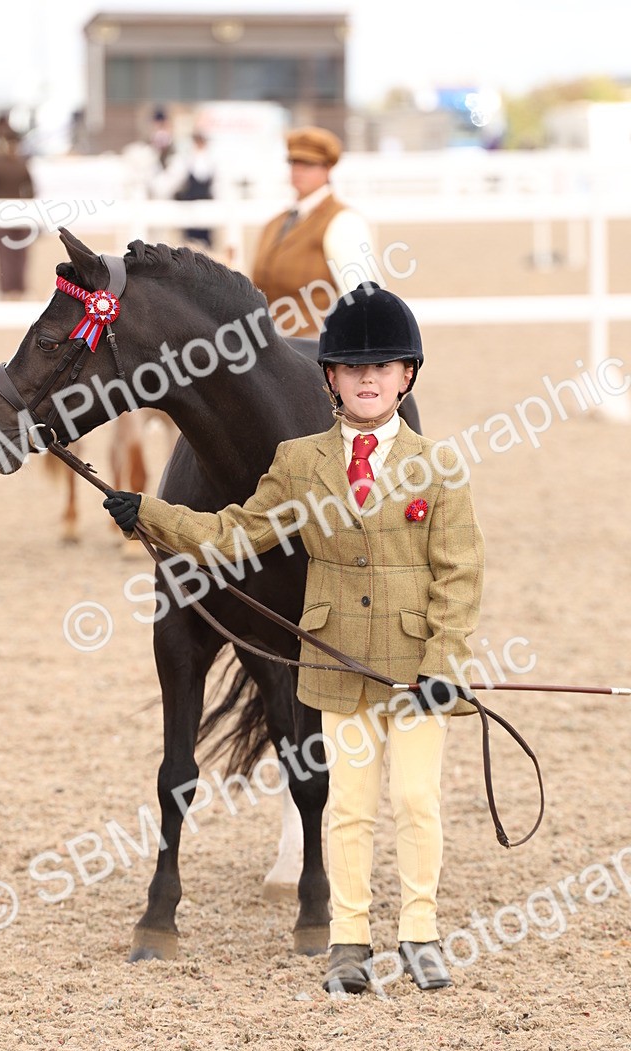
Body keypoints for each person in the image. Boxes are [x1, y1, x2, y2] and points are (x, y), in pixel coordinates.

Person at [102, 283, 485, 995]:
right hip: (335, 662)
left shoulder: (440, 467)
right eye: (352, 369)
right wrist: (152, 515)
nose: (368, 381)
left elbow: (459, 575)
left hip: (414, 670)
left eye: (384, 368)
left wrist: (444, 664)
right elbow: (237, 531)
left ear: (407, 377)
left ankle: (422, 932)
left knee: (417, 802)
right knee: (347, 805)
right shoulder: (300, 463)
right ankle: (347, 938)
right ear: (330, 379)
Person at [250, 126, 376, 338]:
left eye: (308, 164)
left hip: (316, 343)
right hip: (271, 344)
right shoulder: (275, 223)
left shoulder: (343, 221)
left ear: (327, 169)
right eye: (293, 162)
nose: (297, 170)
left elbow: (358, 297)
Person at [0, 116, 36, 298]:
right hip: (21, 212)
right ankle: (19, 288)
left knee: (5, 253)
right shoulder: (22, 164)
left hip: (1, 213)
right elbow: (31, 189)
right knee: (19, 252)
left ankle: (5, 288)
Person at [173, 131, 215, 249]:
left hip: (206, 204)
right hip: (190, 204)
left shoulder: (210, 161)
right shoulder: (187, 160)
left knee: (205, 240)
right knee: (189, 241)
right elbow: (178, 181)